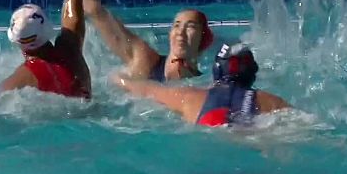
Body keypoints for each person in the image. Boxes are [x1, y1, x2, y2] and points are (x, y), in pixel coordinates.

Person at [109, 42, 290, 127]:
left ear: (217, 70)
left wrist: (119, 78)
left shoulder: (189, 97)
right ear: (253, 72)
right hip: (255, 133)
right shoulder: (270, 101)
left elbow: (147, 89)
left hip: (210, 131)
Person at [83, 0, 214, 82]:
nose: (180, 32)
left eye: (190, 27)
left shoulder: (205, 83)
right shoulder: (145, 61)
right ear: (170, 34)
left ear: (203, 38)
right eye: (177, 26)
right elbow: (96, 11)